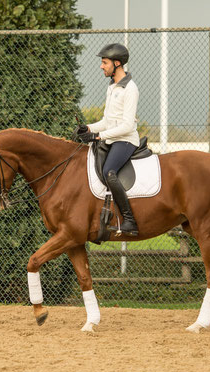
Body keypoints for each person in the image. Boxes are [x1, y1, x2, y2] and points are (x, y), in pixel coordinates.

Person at [76, 43, 140, 236]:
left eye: (104, 63)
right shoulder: (112, 87)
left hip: (126, 140)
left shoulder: (130, 88)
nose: (101, 66)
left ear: (117, 63)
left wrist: (98, 136)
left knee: (109, 172)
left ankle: (129, 221)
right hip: (112, 139)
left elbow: (127, 126)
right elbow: (107, 121)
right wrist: (88, 128)